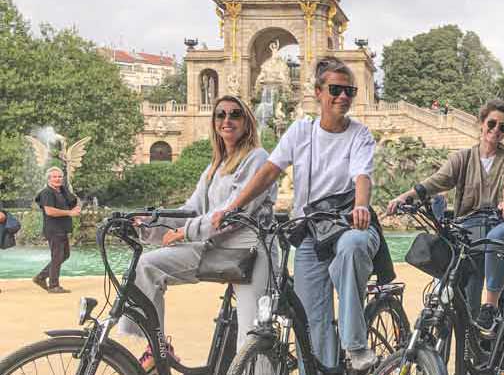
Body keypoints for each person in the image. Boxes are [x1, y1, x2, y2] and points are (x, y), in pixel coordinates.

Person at [212, 58, 391, 371]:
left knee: (351, 246)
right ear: (318, 92)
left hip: (349, 224)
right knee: (311, 322)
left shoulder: (360, 135)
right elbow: (269, 172)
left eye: (349, 90)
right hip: (310, 233)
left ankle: (356, 344)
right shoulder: (300, 130)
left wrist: (361, 205)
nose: (343, 96)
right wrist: (233, 206)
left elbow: (362, 175)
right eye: (335, 89)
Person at [118, 95, 277, 371]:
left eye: (235, 114)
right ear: (214, 122)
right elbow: (190, 210)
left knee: (250, 337)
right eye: (220, 115)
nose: (227, 120)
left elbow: (236, 213)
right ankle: (156, 347)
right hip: (213, 246)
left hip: (251, 251)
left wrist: (184, 232)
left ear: (247, 122)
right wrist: (147, 225)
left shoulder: (257, 158)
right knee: (147, 266)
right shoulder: (214, 166)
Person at [387, 99, 504, 332]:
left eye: (503, 127)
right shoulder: (463, 158)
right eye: (492, 123)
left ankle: (489, 308)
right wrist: (405, 197)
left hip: (503, 224)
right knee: (461, 296)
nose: (496, 130)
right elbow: (437, 181)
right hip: (470, 229)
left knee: (498, 237)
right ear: (481, 123)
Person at [33, 167, 80, 294]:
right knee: (58, 256)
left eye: (59, 176)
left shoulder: (62, 191)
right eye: (54, 177)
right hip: (53, 229)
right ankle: (53, 285)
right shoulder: (47, 193)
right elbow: (49, 211)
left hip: (62, 228)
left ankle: (41, 277)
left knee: (64, 255)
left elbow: (74, 202)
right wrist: (70, 212)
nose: (58, 179)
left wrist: (76, 207)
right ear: (49, 179)